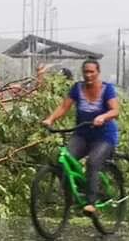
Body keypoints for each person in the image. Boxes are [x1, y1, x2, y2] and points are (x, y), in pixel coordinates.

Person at [41, 58, 120, 214]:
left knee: (93, 162)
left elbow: (115, 110)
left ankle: (91, 202)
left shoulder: (107, 89)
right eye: (85, 72)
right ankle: (70, 197)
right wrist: (50, 119)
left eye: (91, 72)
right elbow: (64, 107)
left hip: (104, 137)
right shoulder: (77, 88)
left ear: (98, 72)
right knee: (65, 160)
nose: (88, 75)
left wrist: (103, 117)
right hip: (82, 135)